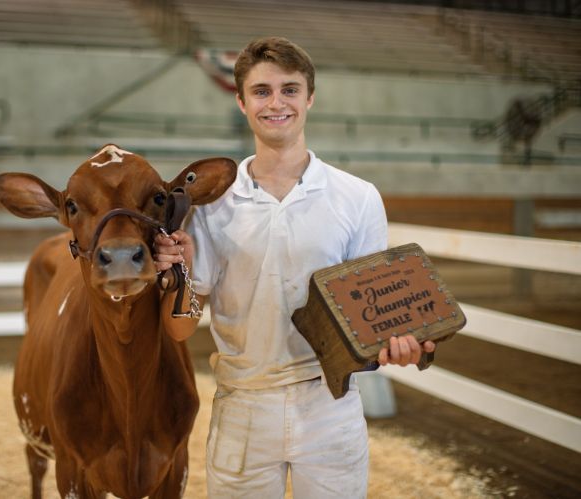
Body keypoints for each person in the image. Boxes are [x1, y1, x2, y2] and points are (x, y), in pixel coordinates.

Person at [155, 37, 435, 498]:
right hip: (242, 408)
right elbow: (180, 330)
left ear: (310, 98)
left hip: (330, 404)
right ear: (241, 102)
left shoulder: (358, 197)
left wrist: (400, 345)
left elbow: (373, 319)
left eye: (289, 89)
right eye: (262, 91)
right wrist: (182, 274)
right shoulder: (210, 205)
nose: (276, 102)